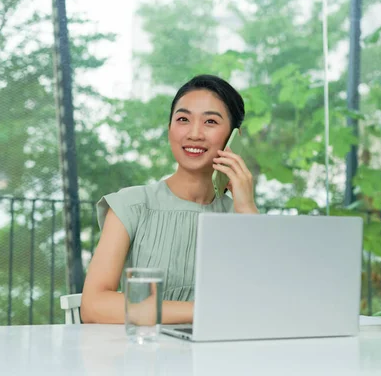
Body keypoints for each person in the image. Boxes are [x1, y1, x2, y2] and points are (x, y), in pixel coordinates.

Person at [80, 74, 259, 324]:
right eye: (183, 119)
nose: (194, 133)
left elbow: (263, 303)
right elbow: (93, 305)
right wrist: (203, 312)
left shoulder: (241, 216)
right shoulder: (131, 205)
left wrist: (247, 208)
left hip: (221, 357)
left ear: (233, 139)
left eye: (210, 121)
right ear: (170, 130)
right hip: (146, 356)